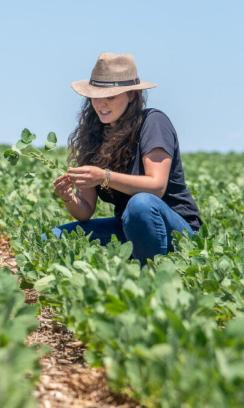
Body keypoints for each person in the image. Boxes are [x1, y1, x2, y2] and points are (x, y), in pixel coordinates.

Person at [50, 52, 202, 265]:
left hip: (179, 234)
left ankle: (150, 275)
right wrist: (68, 197)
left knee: (141, 204)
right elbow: (85, 211)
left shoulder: (153, 122)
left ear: (131, 95)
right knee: (51, 239)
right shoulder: (93, 135)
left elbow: (156, 187)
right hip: (129, 229)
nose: (101, 104)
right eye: (95, 96)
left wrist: (104, 177)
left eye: (110, 97)